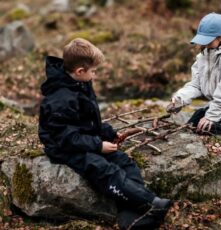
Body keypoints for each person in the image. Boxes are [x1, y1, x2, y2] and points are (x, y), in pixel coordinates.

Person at [38, 38, 171, 229]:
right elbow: (65, 138)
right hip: (63, 147)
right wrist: (98, 146)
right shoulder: (61, 99)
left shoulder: (80, 84)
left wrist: (108, 133)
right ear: (80, 71)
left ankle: (131, 216)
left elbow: (89, 120)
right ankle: (151, 204)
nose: (95, 75)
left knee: (124, 162)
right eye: (93, 71)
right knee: (102, 168)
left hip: (85, 139)